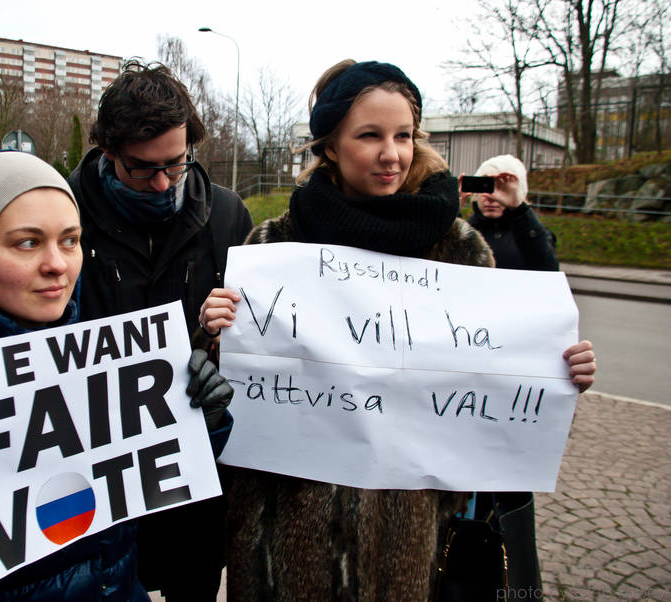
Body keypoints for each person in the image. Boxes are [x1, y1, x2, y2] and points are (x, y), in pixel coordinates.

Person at [198, 60, 597, 600]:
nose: (392, 153)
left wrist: (556, 374)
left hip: (410, 553)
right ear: (330, 146)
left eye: (404, 135)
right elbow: (224, 397)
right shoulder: (274, 247)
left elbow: (497, 392)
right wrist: (215, 338)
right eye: (370, 136)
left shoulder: (460, 251)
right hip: (283, 547)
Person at [0, 150, 234, 601]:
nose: (57, 264)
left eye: (70, 240)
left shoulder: (111, 365)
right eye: (28, 242)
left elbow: (146, 517)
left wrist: (197, 425)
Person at [68, 59, 253, 600]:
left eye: (177, 164)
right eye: (142, 168)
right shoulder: (67, 212)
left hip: (195, 474)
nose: (163, 182)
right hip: (96, 474)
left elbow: (255, 345)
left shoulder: (225, 213)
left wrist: (217, 342)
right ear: (107, 152)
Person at [462, 154, 559, 271]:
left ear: (519, 194)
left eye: (502, 188)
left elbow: (547, 270)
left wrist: (519, 211)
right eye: (485, 186)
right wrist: (450, 216)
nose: (491, 197)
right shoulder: (466, 231)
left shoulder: (534, 234)